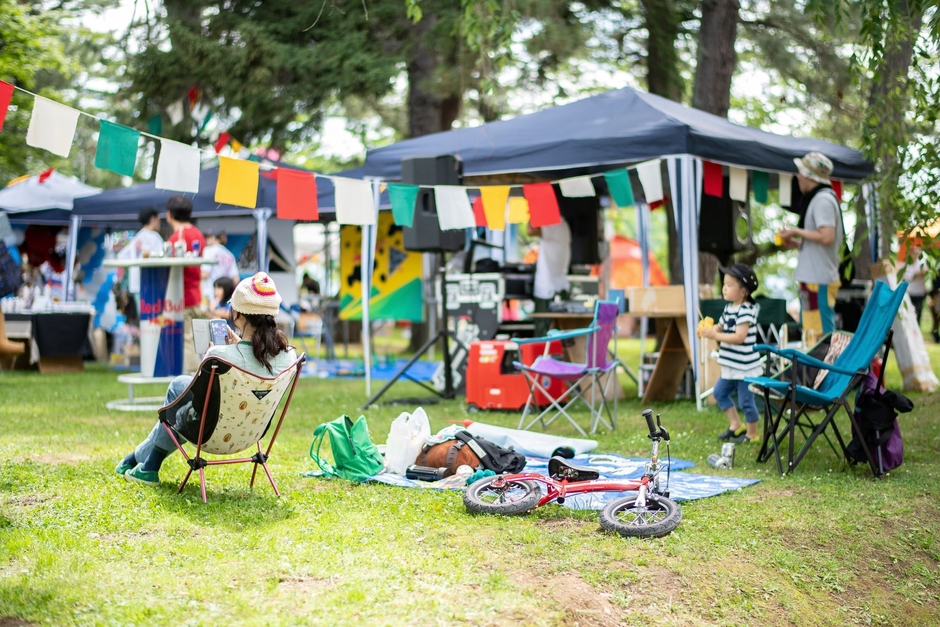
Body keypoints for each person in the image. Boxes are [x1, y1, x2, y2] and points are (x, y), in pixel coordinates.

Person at [116, 272, 297, 485]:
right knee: (181, 397)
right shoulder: (288, 357)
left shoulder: (220, 356)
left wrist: (212, 355)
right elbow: (255, 360)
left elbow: (199, 402)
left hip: (211, 434)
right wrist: (239, 345)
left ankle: (147, 464)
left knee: (178, 392)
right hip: (252, 433)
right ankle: (143, 462)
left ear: (237, 313)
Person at [777, 152, 843, 339]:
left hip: (819, 279)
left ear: (808, 176)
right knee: (812, 331)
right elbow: (821, 241)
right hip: (813, 278)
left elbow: (827, 236)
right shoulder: (820, 198)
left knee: (822, 333)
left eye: (800, 172)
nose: (798, 177)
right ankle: (817, 366)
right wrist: (798, 244)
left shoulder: (822, 200)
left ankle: (826, 367)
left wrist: (796, 231)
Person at [700, 263, 761, 444]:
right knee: (719, 393)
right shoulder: (729, 308)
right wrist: (708, 329)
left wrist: (715, 335)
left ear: (743, 292)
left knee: (746, 402)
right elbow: (721, 326)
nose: (724, 288)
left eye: (729, 285)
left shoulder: (746, 310)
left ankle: (752, 434)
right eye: (724, 284)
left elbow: (739, 337)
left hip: (745, 367)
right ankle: (736, 425)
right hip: (730, 366)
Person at [165, 196, 207, 373]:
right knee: (200, 341)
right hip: (197, 294)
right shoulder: (198, 234)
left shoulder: (175, 239)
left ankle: (192, 378)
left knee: (187, 340)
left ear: (169, 215)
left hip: (182, 297)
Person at [528, 218, 571, 336]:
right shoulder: (564, 224)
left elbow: (530, 231)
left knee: (543, 332)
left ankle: (544, 354)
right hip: (561, 285)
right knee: (562, 332)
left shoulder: (551, 224)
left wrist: (532, 212)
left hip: (546, 288)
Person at [201, 228, 239, 306]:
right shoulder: (229, 254)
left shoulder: (208, 250)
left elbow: (205, 273)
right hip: (226, 296)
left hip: (210, 294)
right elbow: (236, 279)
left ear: (212, 238)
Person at [901, 243, 927, 325]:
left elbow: (925, 271)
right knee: (909, 314)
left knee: (918, 314)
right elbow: (904, 276)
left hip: (919, 293)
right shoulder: (906, 264)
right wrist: (914, 275)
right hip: (909, 292)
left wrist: (917, 274)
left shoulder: (922, 263)